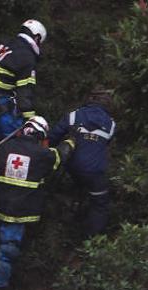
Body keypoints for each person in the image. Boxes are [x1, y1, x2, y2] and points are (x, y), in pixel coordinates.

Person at [0, 115, 74, 290]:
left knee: (3, 244)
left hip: (1, 206)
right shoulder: (41, 154)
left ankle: (0, 279)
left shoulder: (5, 148)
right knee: (8, 249)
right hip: (20, 211)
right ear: (41, 135)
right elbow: (59, 157)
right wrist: (71, 141)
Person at [48, 88, 115, 237]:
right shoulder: (111, 124)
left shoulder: (73, 116)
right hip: (95, 172)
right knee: (100, 204)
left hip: (73, 167)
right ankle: (91, 239)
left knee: (74, 187)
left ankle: (66, 221)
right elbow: (106, 144)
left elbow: (53, 137)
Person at [0, 20, 47, 138]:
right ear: (37, 38)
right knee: (17, 139)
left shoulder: (0, 44)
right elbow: (25, 92)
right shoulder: (28, 56)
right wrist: (31, 120)